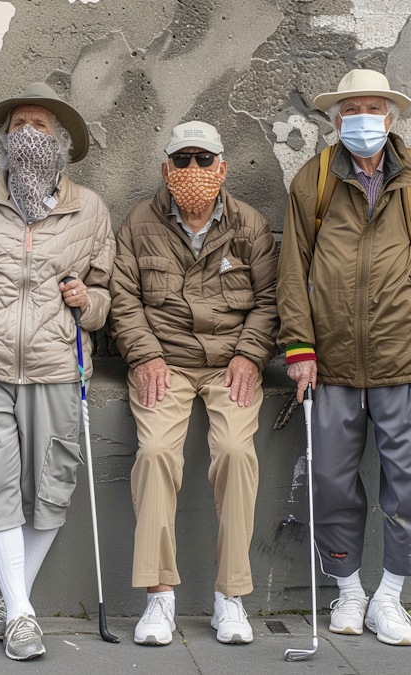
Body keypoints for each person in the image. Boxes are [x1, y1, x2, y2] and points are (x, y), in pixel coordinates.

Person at [277, 70, 411, 646]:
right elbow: (292, 271)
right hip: (329, 362)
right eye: (352, 110)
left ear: (391, 117)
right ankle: (349, 590)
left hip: (402, 357)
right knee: (334, 483)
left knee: (405, 482)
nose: (363, 119)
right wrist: (300, 349)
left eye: (373, 109)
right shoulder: (312, 180)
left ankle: (389, 596)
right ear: (337, 120)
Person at [0, 83, 115, 660]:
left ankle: (11, 605)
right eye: (17, 126)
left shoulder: (90, 208)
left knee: (51, 487)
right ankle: (23, 618)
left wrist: (91, 300)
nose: (27, 134)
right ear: (3, 142)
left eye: (39, 125)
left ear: (60, 142)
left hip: (57, 363)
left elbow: (109, 296)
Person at [109, 121, 278, 646]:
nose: (193, 171)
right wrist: (144, 356)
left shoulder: (249, 224)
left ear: (222, 168)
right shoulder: (138, 223)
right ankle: (159, 597)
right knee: (157, 452)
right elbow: (123, 298)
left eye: (204, 160)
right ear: (165, 168)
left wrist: (251, 356)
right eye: (181, 160)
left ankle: (232, 596)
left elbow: (271, 300)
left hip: (232, 363)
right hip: (166, 362)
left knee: (233, 452)